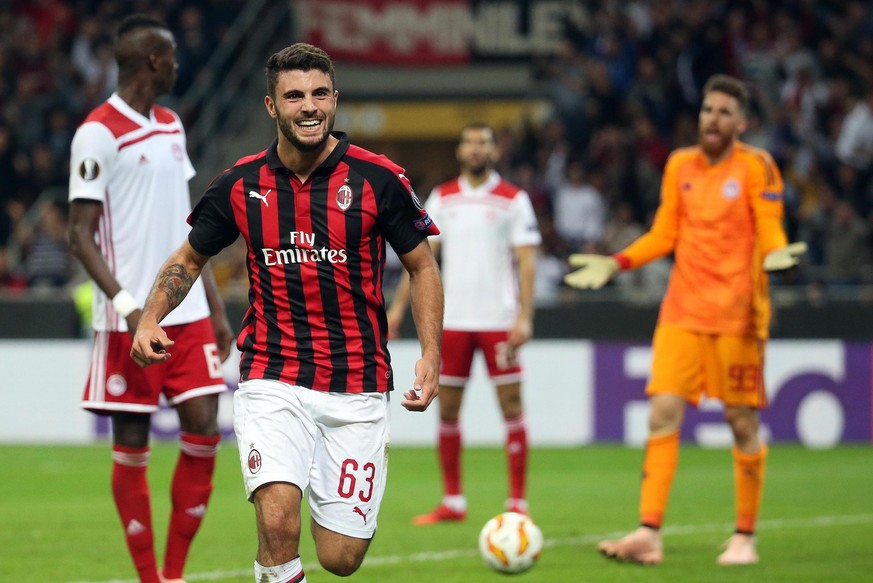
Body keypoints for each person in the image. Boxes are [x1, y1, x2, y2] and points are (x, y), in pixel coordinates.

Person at [131, 43, 443, 582]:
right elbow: (188, 257)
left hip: (357, 382)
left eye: (320, 94)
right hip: (272, 376)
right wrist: (150, 315)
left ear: (335, 100)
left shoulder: (379, 180)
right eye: (294, 95)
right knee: (277, 525)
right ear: (272, 107)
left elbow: (423, 267)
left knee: (340, 558)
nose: (309, 106)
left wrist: (431, 354)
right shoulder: (239, 184)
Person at [564, 74, 807, 566]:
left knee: (741, 422)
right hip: (681, 311)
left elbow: (770, 225)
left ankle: (745, 537)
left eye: (723, 112)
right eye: (706, 110)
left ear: (741, 123)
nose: (712, 120)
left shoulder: (758, 165)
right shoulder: (680, 164)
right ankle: (649, 532)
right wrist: (617, 262)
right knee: (662, 415)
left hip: (737, 316)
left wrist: (778, 255)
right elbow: (664, 233)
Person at [67, 15, 234, 583]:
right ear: (154, 63)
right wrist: (129, 307)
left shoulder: (171, 125)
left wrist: (213, 307)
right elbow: (78, 235)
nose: (179, 66)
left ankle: (174, 572)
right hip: (126, 321)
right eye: (173, 58)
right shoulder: (97, 133)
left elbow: (188, 231)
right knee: (132, 443)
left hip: (184, 312)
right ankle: (148, 577)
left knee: (205, 430)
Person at [388, 122, 541, 524]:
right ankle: (453, 501)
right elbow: (421, 260)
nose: (476, 149)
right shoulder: (443, 197)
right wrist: (399, 308)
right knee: (448, 408)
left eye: (484, 143)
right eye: (470, 142)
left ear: (494, 151)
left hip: (498, 320)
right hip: (452, 320)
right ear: (460, 151)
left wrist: (525, 314)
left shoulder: (513, 200)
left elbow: (527, 262)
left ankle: (518, 504)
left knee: (511, 407)